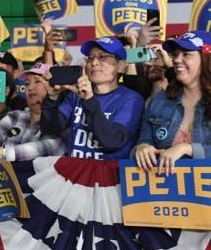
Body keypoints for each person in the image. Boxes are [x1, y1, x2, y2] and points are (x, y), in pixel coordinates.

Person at [41, 36, 145, 160]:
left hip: (110, 175)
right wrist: (52, 99)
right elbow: (51, 129)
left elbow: (112, 141)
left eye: (103, 56)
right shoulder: (76, 95)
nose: (94, 63)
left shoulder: (131, 100)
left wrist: (89, 100)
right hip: (74, 173)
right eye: (91, 58)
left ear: (121, 65)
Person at [134, 30, 211, 175]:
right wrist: (142, 148)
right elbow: (144, 140)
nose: (176, 60)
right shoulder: (159, 100)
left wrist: (187, 148)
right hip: (169, 195)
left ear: (206, 59)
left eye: (186, 54)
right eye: (175, 54)